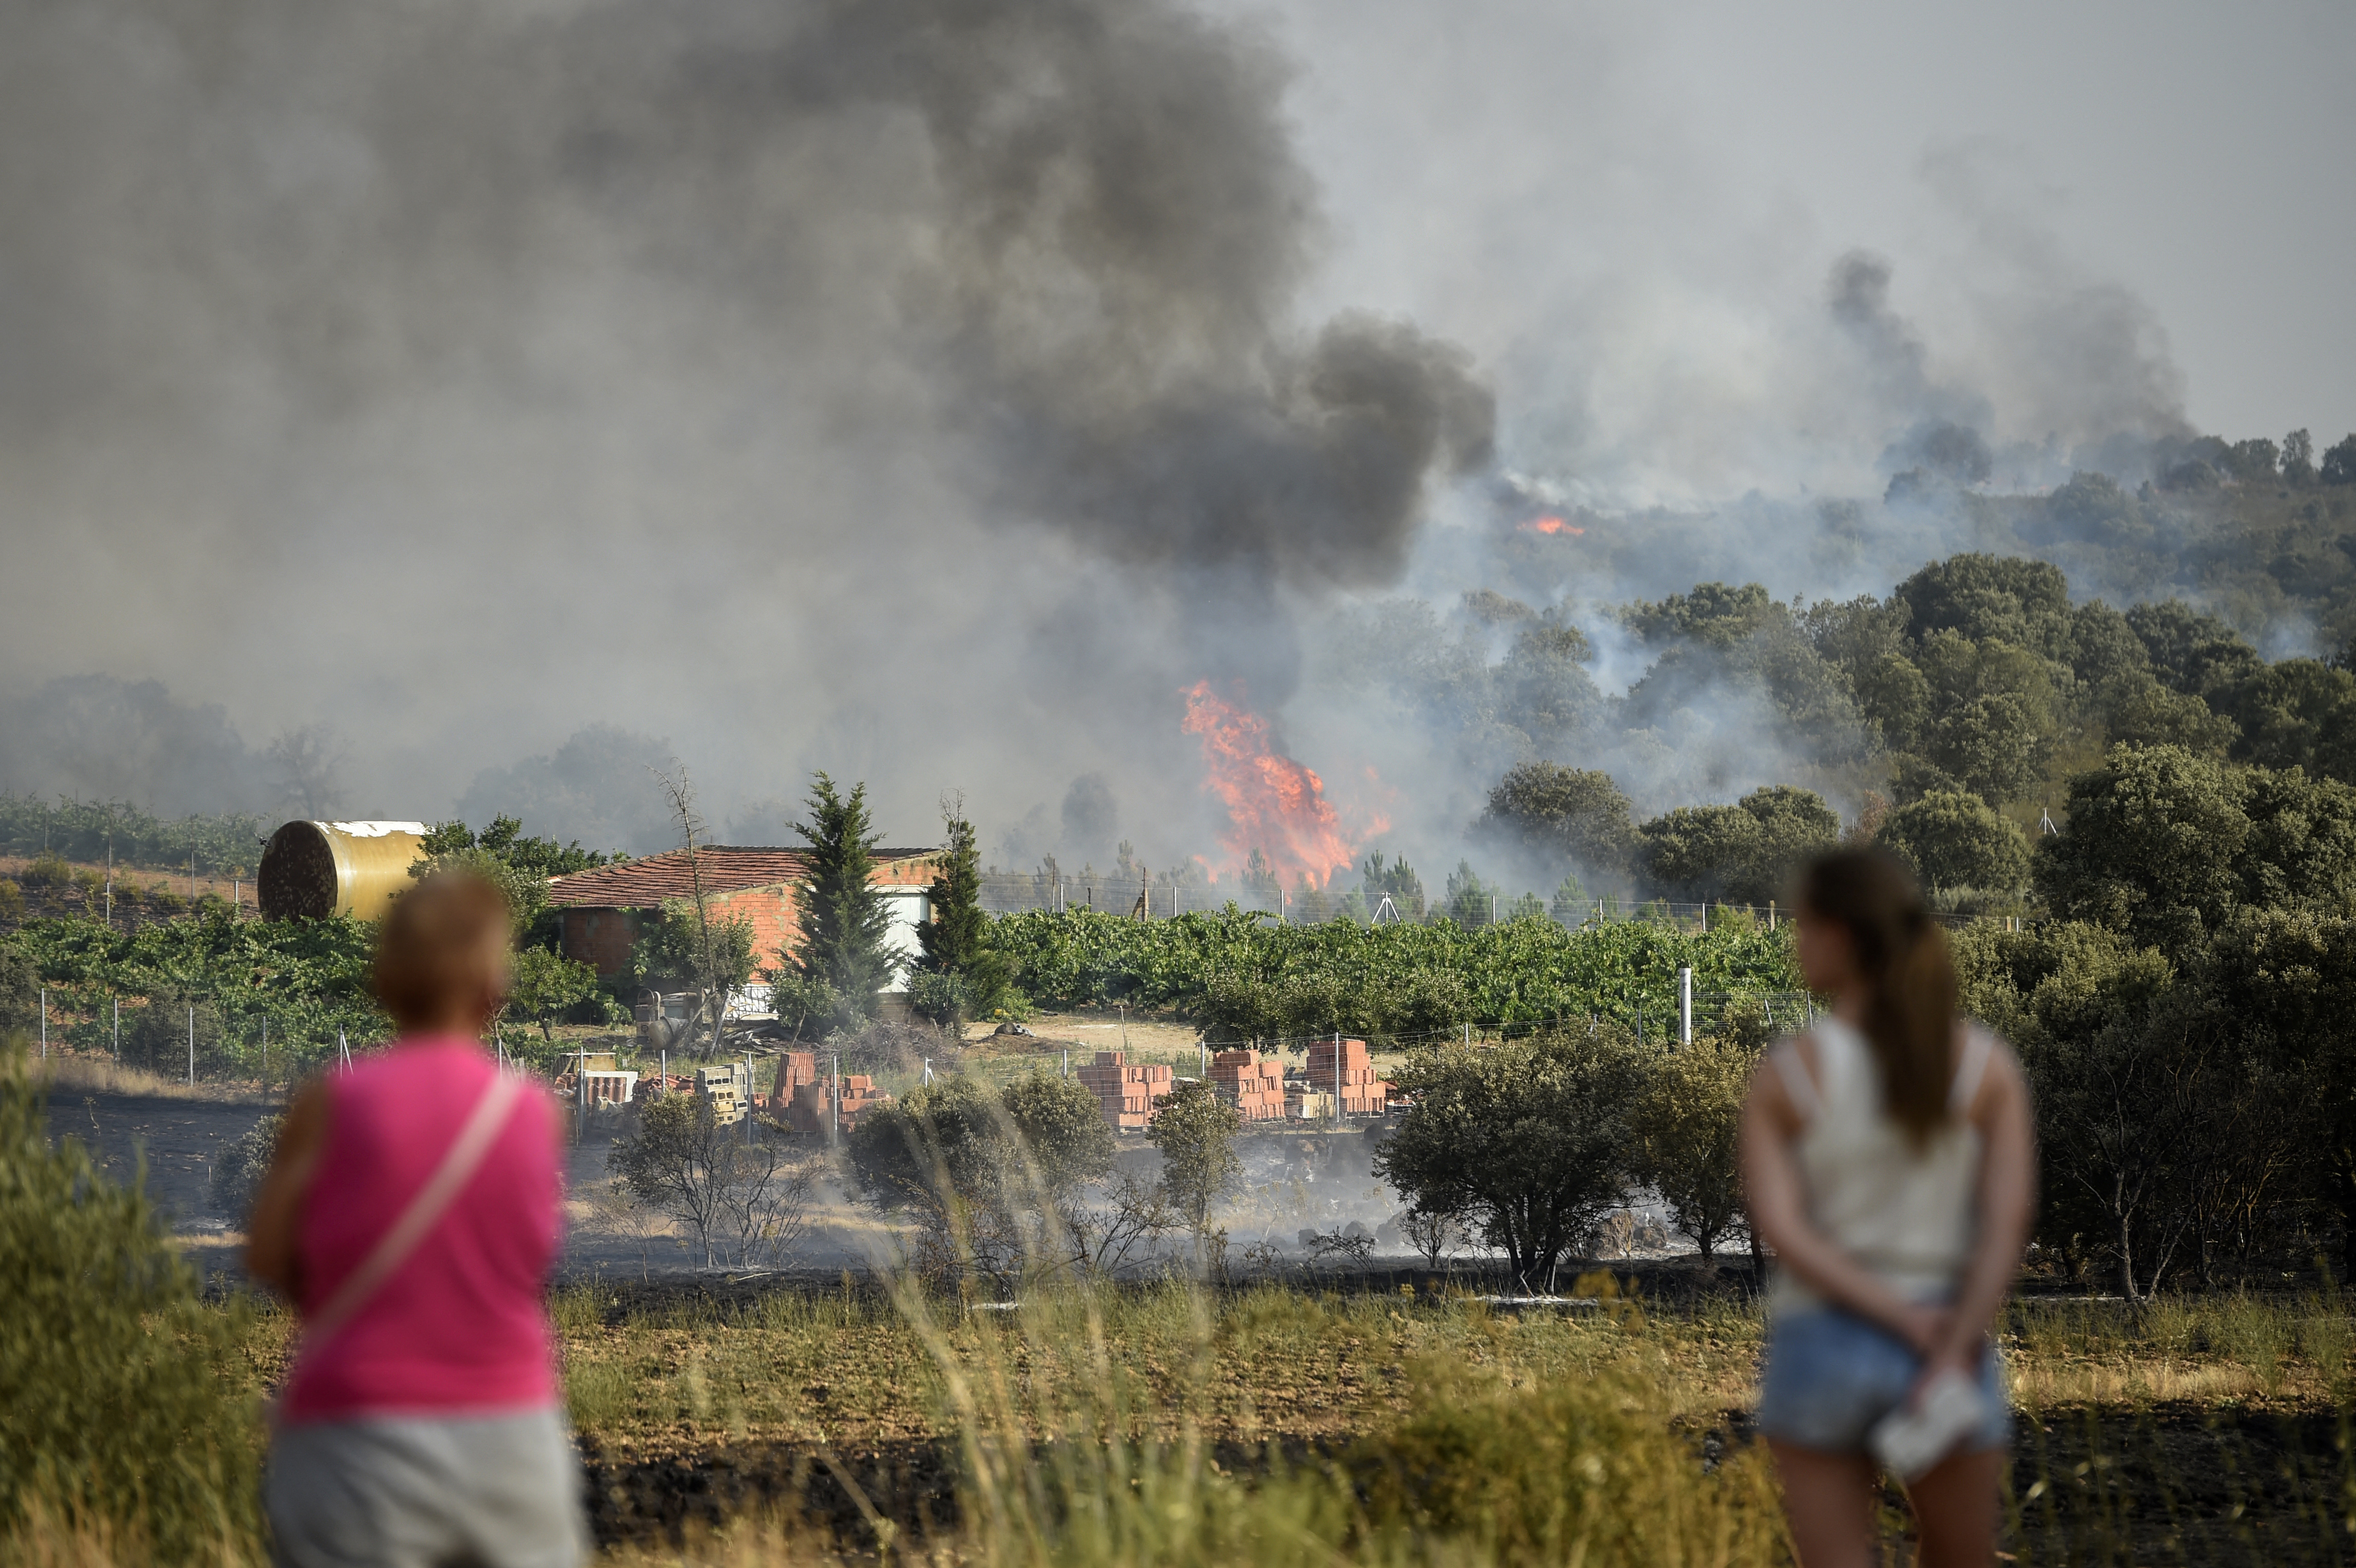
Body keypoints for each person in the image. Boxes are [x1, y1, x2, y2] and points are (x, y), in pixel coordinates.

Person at [247, 869, 587, 1568]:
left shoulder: (327, 1104)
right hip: (509, 1437)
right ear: (495, 987)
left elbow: (267, 1256)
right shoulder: (533, 1113)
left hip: (355, 1437)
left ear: (384, 980)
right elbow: (531, 1260)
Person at [1740, 848, 2034, 1568]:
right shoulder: (1985, 1067)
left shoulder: (1786, 1075)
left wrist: (1890, 1314)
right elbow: (2006, 1223)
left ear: (1842, 933)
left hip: (1821, 1340)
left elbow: (1783, 1230)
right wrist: (1947, 1333)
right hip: (1946, 1338)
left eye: (1803, 923)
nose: (1794, 939)